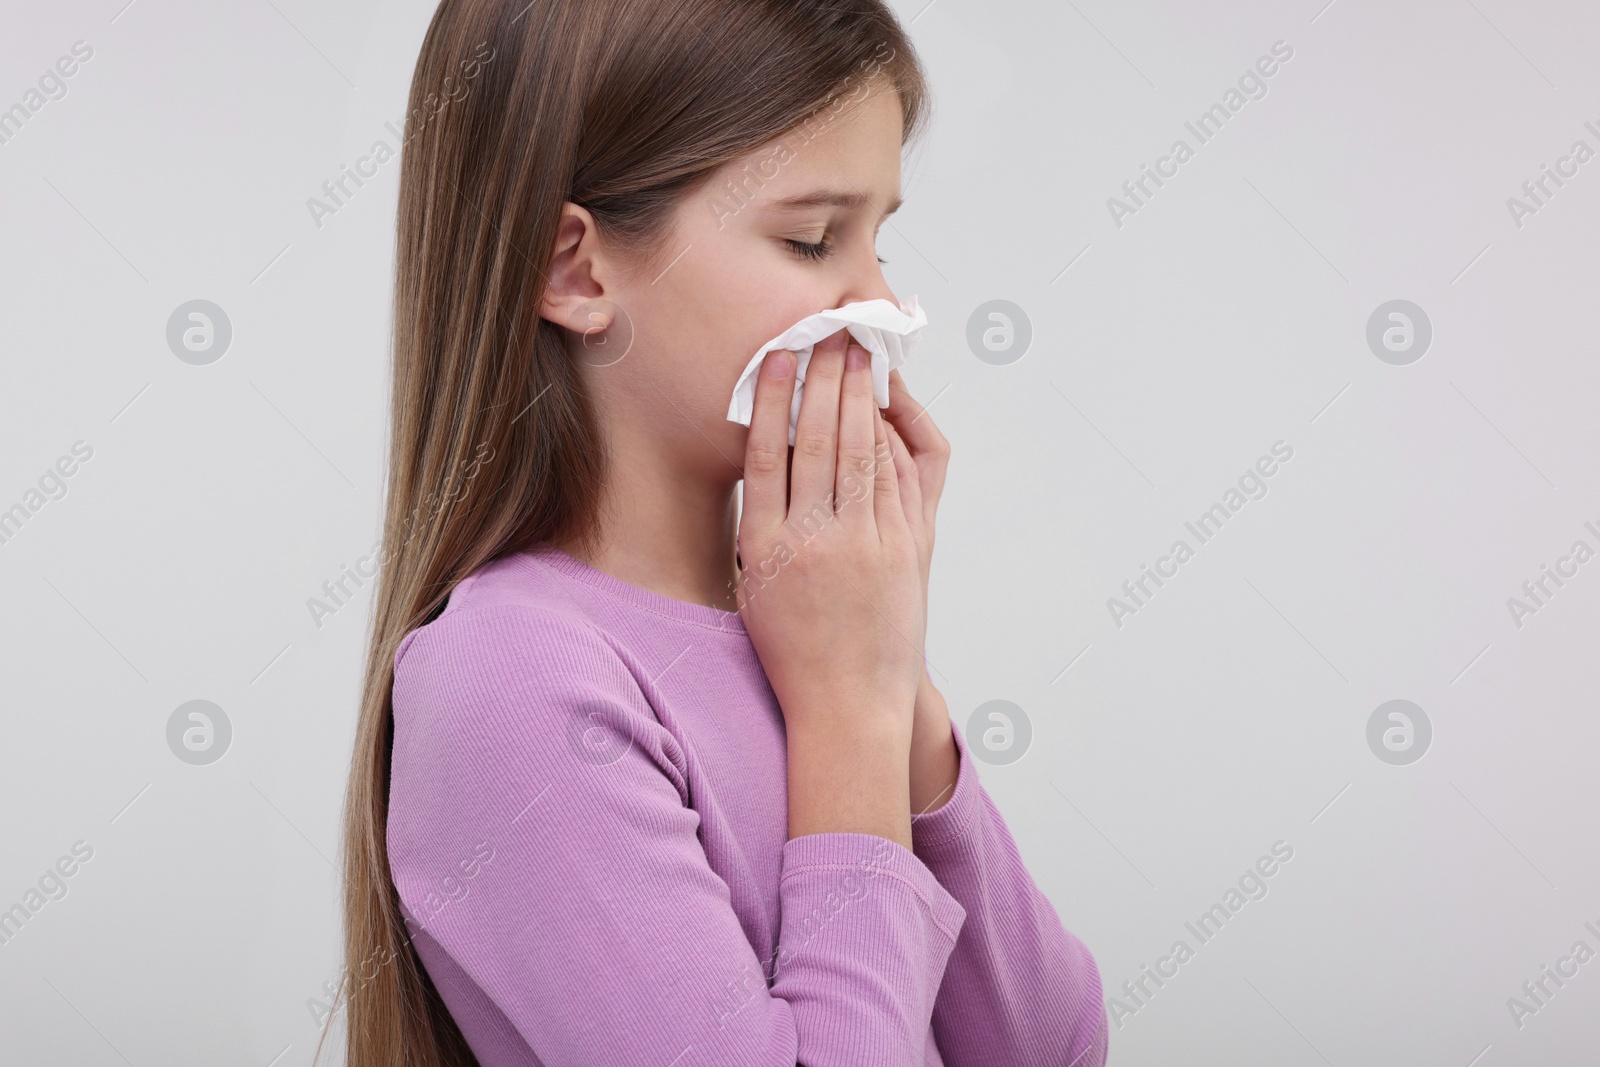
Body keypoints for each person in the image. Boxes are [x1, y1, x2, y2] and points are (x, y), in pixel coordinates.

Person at [324, 1, 1109, 1064]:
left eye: (879, 239)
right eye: (811, 238)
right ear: (576, 271)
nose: (880, 303)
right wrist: (843, 705)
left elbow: (1047, 1047)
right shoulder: (511, 676)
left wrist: (890, 677)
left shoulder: (810, 645)